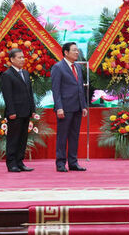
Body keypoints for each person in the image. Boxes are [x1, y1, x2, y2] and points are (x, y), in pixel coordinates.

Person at [51, 42, 88, 172]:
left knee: (74, 136)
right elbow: (55, 89)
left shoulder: (77, 67)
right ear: (66, 52)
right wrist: (59, 107)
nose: (77, 52)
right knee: (62, 136)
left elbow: (80, 88)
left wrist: (83, 106)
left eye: (77, 50)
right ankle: (60, 163)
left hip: (77, 107)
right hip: (65, 107)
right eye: (74, 50)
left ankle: (73, 162)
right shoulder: (58, 67)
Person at [0, 48, 35, 172]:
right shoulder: (7, 75)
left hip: (26, 111)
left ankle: (20, 162)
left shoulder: (25, 73)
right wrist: (11, 112)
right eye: (19, 57)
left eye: (23, 57)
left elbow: (30, 92)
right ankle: (11, 163)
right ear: (12, 59)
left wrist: (32, 109)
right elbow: (7, 95)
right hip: (15, 112)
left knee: (23, 138)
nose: (22, 59)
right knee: (13, 138)